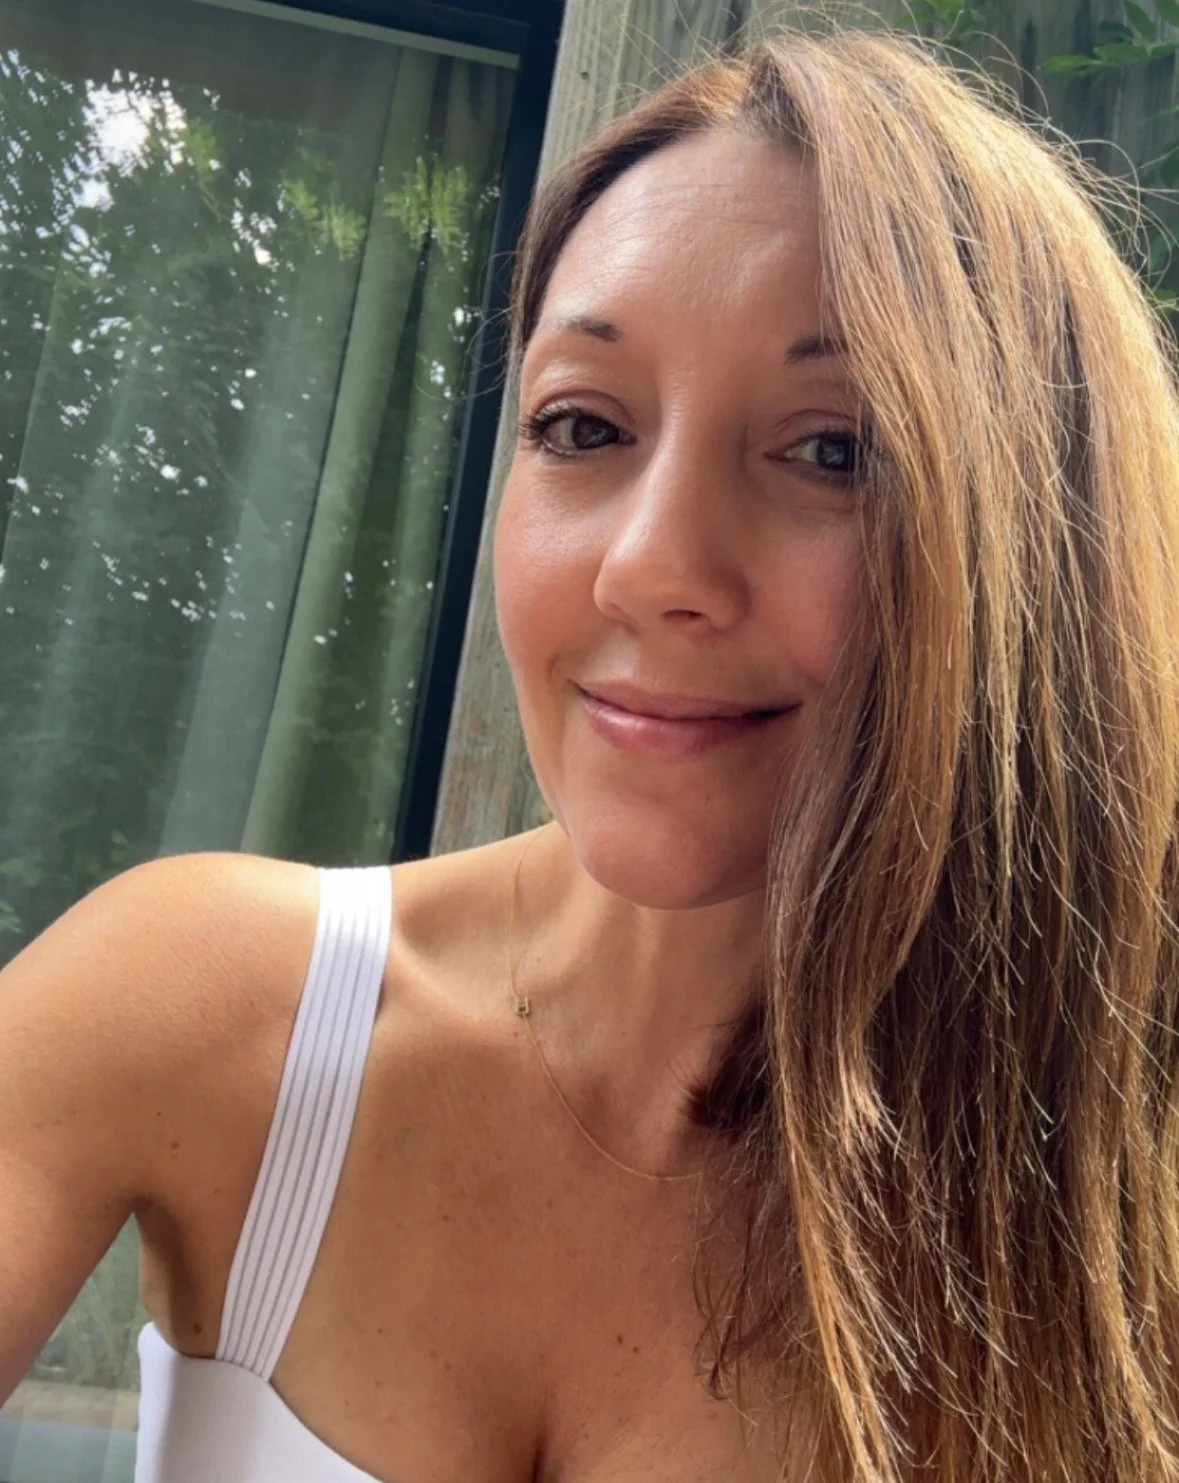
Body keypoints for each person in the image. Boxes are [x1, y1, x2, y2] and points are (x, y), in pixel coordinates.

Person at [4, 19, 1179, 1483]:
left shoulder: (1108, 1268)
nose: (648, 565)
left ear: (1035, 561)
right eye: (582, 424)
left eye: (833, 450)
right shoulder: (217, 1006)